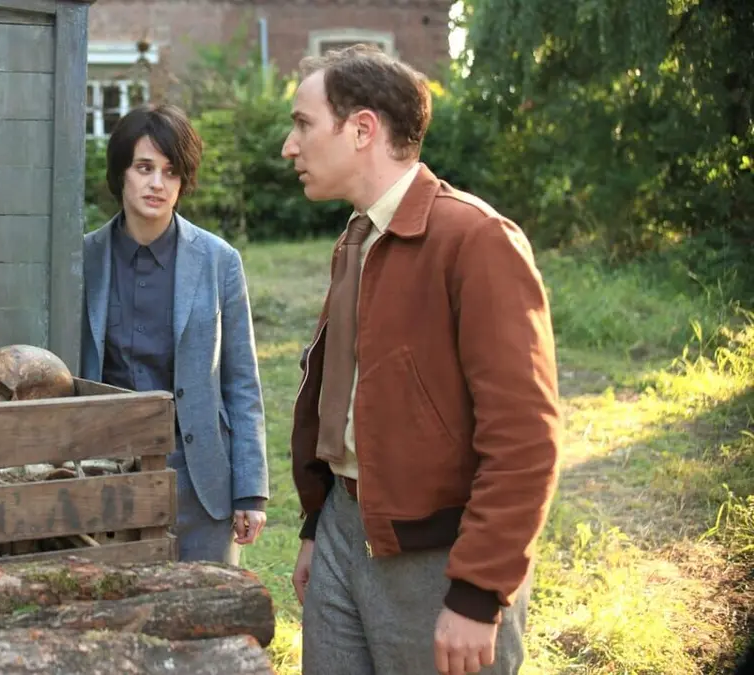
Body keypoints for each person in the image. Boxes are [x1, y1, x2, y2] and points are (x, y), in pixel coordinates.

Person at [282, 45, 561, 675]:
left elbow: (525, 438)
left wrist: (478, 589)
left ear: (362, 129)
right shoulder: (356, 238)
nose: (289, 147)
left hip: (440, 555)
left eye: (302, 124)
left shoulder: (477, 240)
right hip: (341, 530)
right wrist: (318, 526)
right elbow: (342, 401)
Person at [80, 104, 269, 564]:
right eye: (144, 168)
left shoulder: (220, 261)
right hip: (105, 476)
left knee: (210, 605)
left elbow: (242, 382)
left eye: (171, 172)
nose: (157, 184)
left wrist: (250, 491)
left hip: (200, 480)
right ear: (120, 173)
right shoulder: (82, 260)